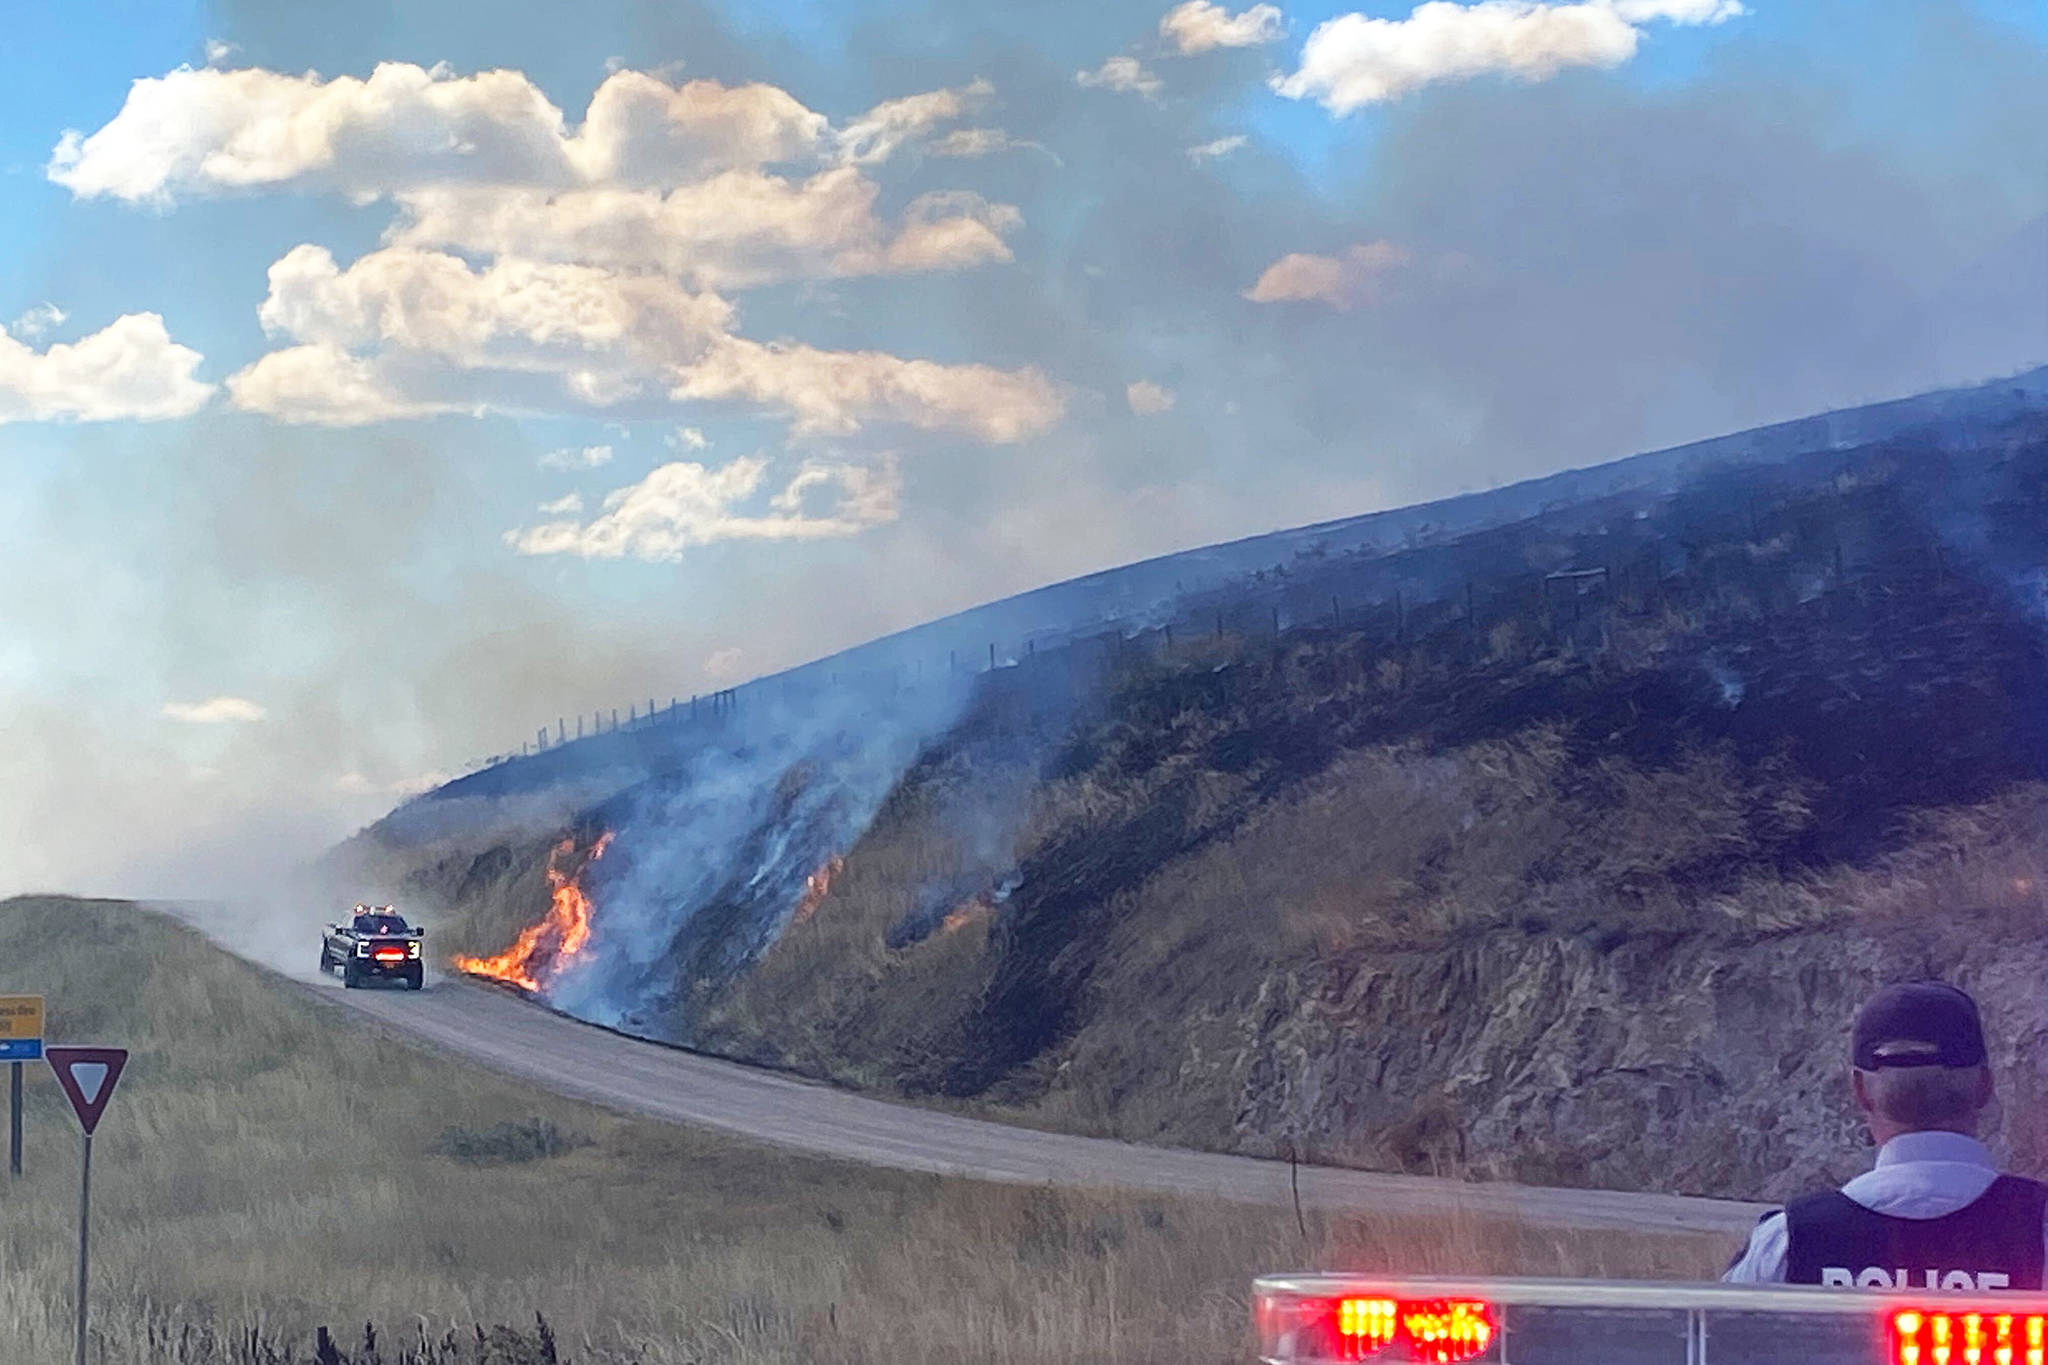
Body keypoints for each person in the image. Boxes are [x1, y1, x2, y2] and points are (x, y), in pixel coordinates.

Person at [1723, 980, 2048, 1290]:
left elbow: (1711, 1340)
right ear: (1985, 1086)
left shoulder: (1787, 1242)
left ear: (1860, 1091)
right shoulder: (2039, 1226)